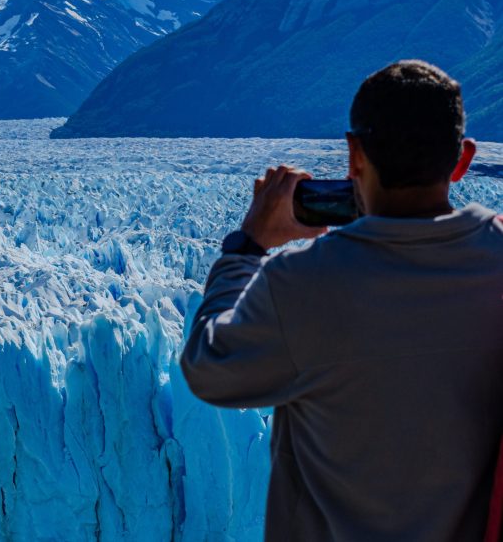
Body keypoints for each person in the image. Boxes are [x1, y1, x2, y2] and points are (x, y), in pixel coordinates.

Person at [180, 59, 503, 541]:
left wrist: (248, 246)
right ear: (463, 159)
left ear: (354, 155)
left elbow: (210, 368)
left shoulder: (303, 285)